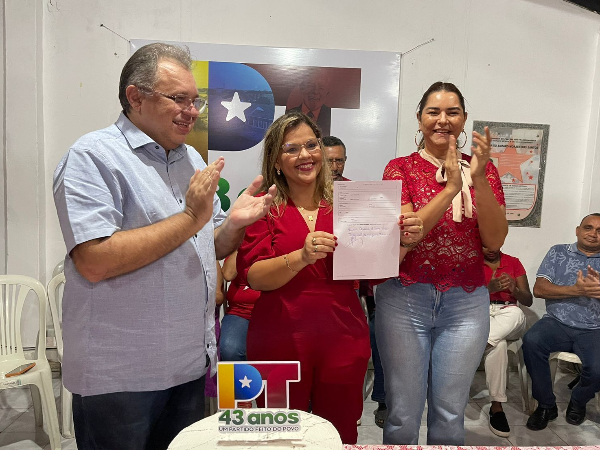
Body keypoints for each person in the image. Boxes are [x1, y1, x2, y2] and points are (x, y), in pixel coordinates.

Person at [53, 42, 276, 450]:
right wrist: (190, 217)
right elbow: (94, 260)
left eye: (195, 101)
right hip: (121, 375)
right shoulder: (93, 157)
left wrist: (235, 224)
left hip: (187, 366)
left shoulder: (191, 159)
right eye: (178, 99)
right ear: (135, 97)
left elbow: (209, 244)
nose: (192, 111)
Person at [236, 111, 423, 444]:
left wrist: (405, 243)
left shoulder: (350, 203)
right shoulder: (264, 207)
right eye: (291, 148)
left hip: (342, 339)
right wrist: (301, 257)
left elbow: (376, 272)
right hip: (277, 339)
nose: (305, 155)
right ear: (276, 160)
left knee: (339, 434)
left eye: (311, 145)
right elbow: (255, 276)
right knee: (276, 436)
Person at [376, 81, 508, 445]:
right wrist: (451, 188)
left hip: (466, 301)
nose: (443, 120)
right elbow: (407, 235)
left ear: (464, 119)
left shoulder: (484, 171)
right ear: (419, 118)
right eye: (433, 112)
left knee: (450, 411)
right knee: (402, 410)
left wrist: (477, 178)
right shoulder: (399, 168)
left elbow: (494, 240)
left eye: (453, 112)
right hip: (404, 297)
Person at [523, 213, 600, 430]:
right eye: (588, 227)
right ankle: (546, 405)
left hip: (595, 328)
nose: (593, 234)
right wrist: (577, 290)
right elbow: (539, 289)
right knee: (531, 341)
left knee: (597, 370)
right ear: (578, 230)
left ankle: (579, 400)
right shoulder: (558, 252)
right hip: (556, 322)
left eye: (599, 230)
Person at [482, 247, 533, 437]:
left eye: (494, 244)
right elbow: (460, 298)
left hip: (508, 315)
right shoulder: (471, 261)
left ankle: (475, 349)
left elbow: (528, 300)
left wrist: (515, 290)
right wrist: (487, 289)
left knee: (516, 313)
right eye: (486, 245)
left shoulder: (513, 262)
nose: (491, 249)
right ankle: (497, 407)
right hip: (482, 313)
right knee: (499, 345)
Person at [219, 250, 260, 362]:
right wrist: (244, 244)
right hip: (240, 312)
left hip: (274, 312)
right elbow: (228, 274)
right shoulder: (242, 246)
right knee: (229, 350)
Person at [286, 69, 331, 135]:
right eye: (310, 86)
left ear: (327, 93)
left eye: (321, 88)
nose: (315, 92)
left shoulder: (333, 116)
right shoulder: (288, 115)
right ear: (302, 89)